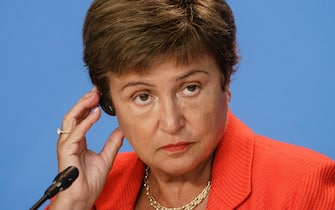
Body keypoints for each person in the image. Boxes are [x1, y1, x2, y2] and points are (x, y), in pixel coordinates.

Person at [48, 0, 335, 209]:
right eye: (143, 96)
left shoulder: (306, 187)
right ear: (109, 104)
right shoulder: (88, 193)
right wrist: (72, 204)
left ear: (226, 81)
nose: (172, 122)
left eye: (190, 88)